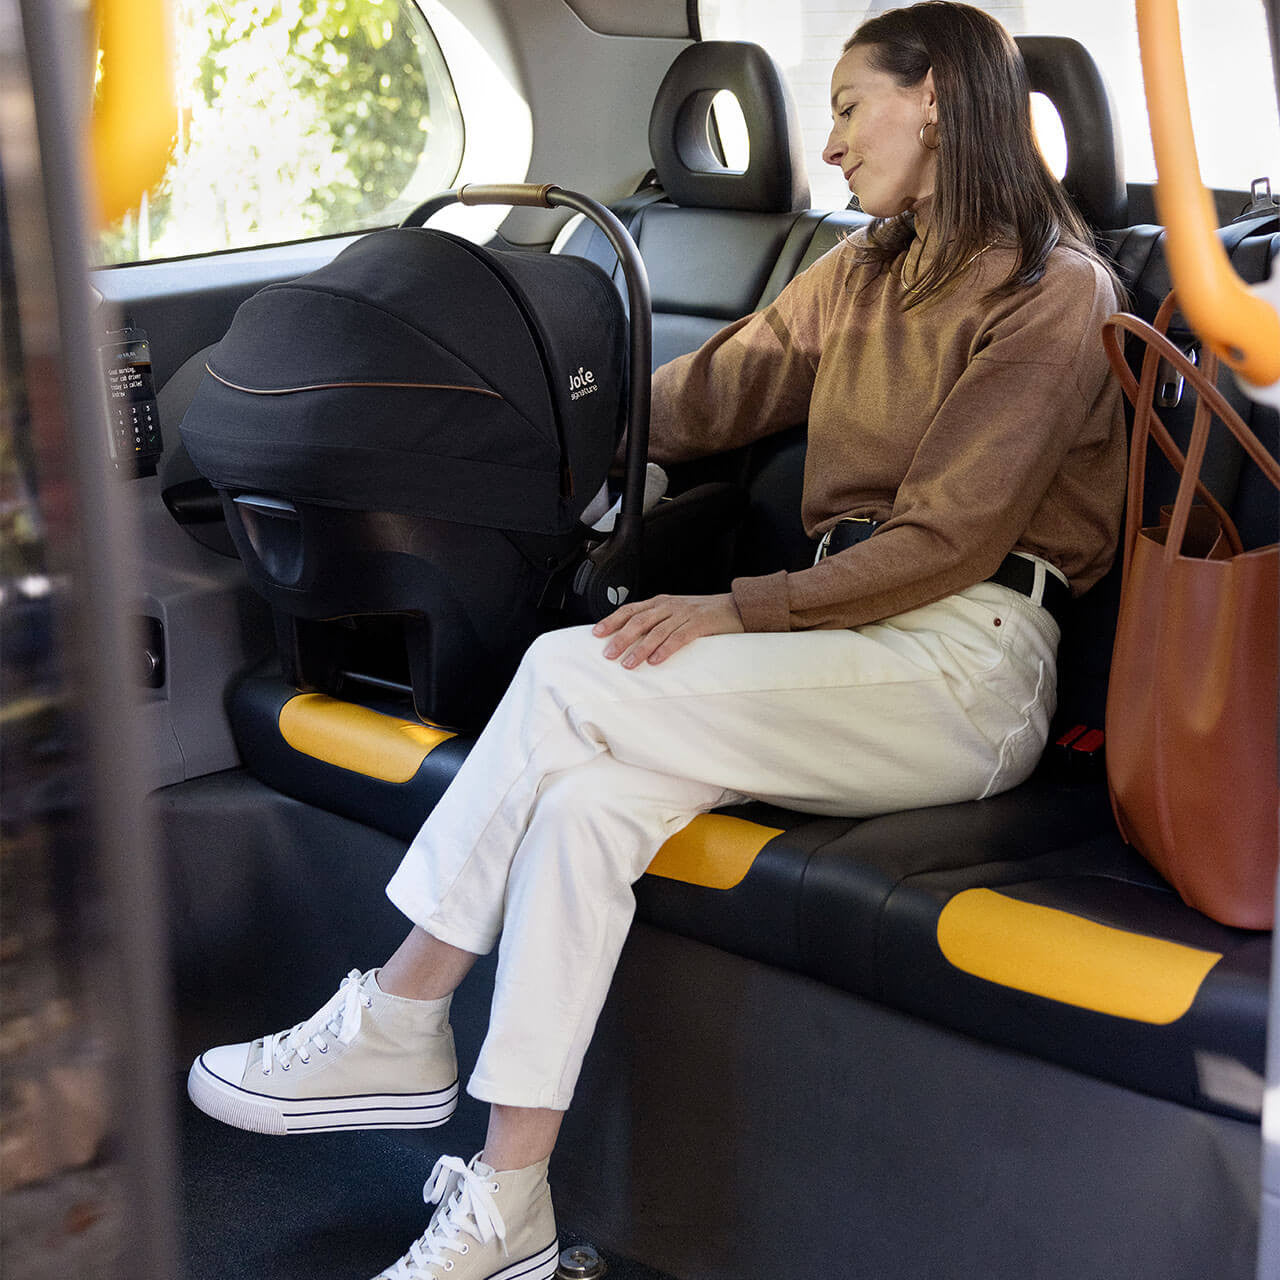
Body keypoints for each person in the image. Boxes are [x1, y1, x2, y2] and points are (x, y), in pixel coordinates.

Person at [186, 4, 1127, 1277]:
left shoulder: (1052, 292)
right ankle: (506, 1210)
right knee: (581, 807)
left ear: (939, 105)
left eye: (850, 106)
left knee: (569, 669)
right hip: (839, 650)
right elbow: (694, 399)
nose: (833, 145)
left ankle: (403, 1006)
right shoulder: (858, 272)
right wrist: (505, 429)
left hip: (963, 663)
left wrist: (734, 606)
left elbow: (948, 540)